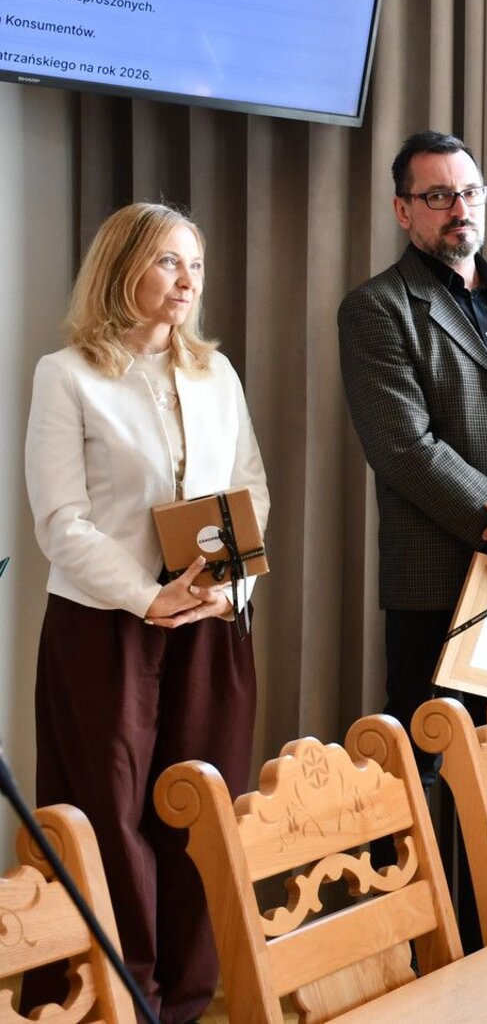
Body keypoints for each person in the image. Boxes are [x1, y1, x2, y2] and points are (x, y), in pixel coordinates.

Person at [24, 202, 269, 1023]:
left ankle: (186, 1004)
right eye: (168, 261)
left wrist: (230, 589)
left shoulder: (216, 374)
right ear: (120, 267)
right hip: (104, 626)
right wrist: (145, 595)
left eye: (194, 264)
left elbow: (249, 491)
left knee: (200, 808)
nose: (187, 280)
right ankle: (120, 1001)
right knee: (108, 816)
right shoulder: (66, 375)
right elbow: (60, 522)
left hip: (211, 623)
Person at [338, 132, 487, 942]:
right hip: (438, 589)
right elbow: (405, 449)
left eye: (468, 192)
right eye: (437, 195)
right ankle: (417, 958)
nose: (458, 208)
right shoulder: (376, 309)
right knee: (422, 781)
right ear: (403, 210)